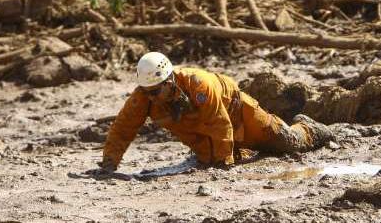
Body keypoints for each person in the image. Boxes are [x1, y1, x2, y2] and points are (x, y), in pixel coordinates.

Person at [99, 52, 334, 172]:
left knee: (287, 142)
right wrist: (109, 163)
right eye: (146, 91)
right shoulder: (144, 97)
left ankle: (308, 127)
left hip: (238, 112)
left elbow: (219, 122)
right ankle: (229, 151)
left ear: (170, 81)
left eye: (155, 91)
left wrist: (224, 162)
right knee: (208, 159)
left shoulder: (199, 84)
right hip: (207, 136)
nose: (150, 97)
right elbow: (123, 128)